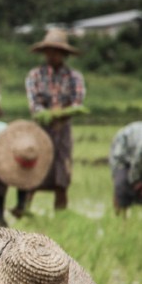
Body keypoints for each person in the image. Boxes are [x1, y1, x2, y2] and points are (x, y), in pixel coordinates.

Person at [14, 28, 85, 216]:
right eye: (49, 51)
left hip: (63, 132)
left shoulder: (74, 77)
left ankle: (60, 217)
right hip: (40, 130)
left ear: (64, 53)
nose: (52, 55)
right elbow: (34, 105)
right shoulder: (35, 76)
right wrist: (48, 113)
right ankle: (23, 212)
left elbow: (77, 102)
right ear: (44, 52)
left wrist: (62, 114)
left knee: (62, 176)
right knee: (33, 172)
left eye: (57, 51)